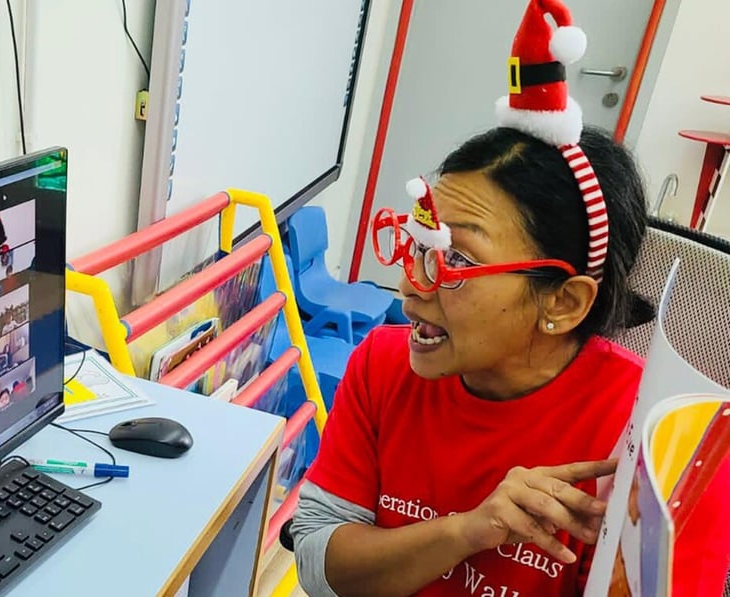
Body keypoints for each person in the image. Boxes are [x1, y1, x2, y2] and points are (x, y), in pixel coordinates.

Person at [290, 2, 730, 596]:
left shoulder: (662, 443)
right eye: (421, 244)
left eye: (460, 261)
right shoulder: (383, 365)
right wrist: (469, 531)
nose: (413, 285)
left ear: (565, 303)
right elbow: (319, 570)